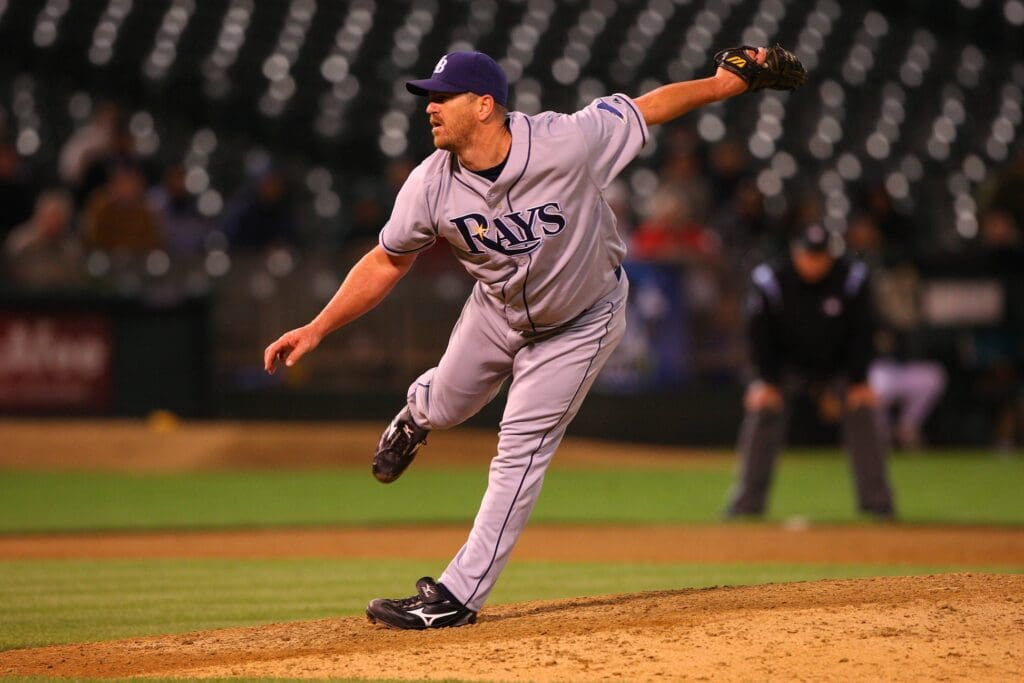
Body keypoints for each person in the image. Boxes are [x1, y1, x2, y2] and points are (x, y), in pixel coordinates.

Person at [264, 47, 804, 629]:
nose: (431, 108)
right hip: (495, 312)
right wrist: (318, 327)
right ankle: (417, 415)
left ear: (484, 105)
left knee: (519, 448)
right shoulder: (430, 185)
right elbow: (386, 262)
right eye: (430, 98)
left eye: (443, 97)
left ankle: (456, 596)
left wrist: (726, 87)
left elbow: (649, 109)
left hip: (581, 319)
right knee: (446, 403)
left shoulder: (566, 141)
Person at [724, 224, 896, 519]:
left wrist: (860, 380)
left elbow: (863, 333)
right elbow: (758, 336)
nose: (813, 262)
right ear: (795, 252)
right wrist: (765, 381)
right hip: (785, 367)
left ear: (830, 256)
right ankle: (746, 505)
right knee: (763, 411)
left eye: (819, 256)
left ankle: (878, 503)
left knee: (863, 410)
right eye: (807, 254)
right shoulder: (772, 281)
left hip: (839, 367)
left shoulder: (851, 280)